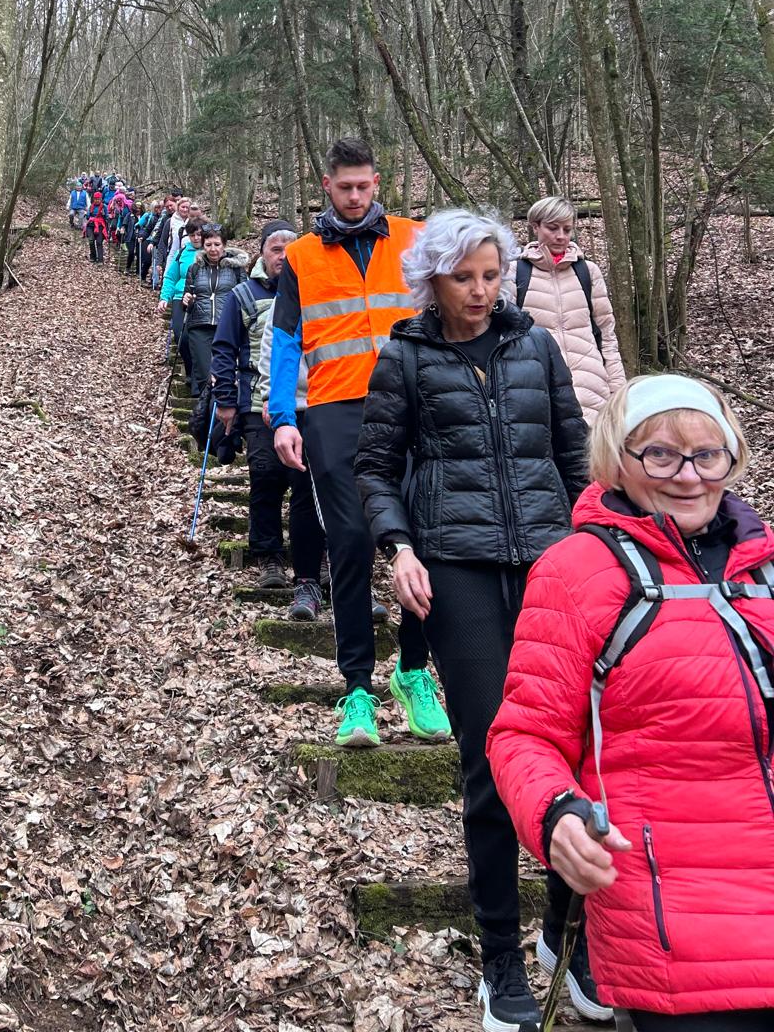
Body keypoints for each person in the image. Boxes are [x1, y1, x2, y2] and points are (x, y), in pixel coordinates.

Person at [353, 206, 592, 1031]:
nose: (482, 291)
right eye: (465, 277)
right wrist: (399, 548)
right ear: (434, 280)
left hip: (552, 565)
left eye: (491, 275)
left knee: (570, 748)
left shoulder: (537, 347)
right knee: (492, 755)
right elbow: (375, 466)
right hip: (454, 566)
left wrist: (594, 543)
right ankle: (500, 960)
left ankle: (565, 934)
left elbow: (573, 453)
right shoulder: (406, 356)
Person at [489, 376, 774, 1032]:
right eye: (661, 455)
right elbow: (524, 734)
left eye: (707, 455)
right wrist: (556, 816)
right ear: (617, 461)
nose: (689, 476)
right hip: (674, 922)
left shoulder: (765, 567)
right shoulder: (577, 572)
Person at [268, 136, 448, 750]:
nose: (353, 196)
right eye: (343, 187)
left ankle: (414, 671)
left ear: (377, 182)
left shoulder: (416, 239)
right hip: (334, 408)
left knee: (422, 535)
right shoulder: (300, 255)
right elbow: (286, 339)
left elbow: (453, 310)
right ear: (327, 185)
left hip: (414, 401)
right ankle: (357, 689)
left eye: (363, 186)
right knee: (348, 542)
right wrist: (282, 417)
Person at [213, 221, 327, 613]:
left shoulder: (315, 288)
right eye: (275, 249)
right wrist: (226, 399)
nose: (283, 256)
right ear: (262, 252)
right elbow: (225, 347)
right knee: (265, 474)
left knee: (310, 483)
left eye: (289, 249)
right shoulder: (244, 295)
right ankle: (269, 554)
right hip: (256, 399)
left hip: (314, 402)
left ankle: (316, 558)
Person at [510, 195, 626, 422]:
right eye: (552, 228)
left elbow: (607, 336)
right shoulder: (514, 273)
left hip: (592, 391)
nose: (561, 236)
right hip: (537, 391)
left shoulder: (588, 272)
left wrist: (618, 392)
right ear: (535, 226)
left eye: (567, 229)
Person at [182, 223, 249, 396]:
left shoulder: (236, 269)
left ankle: (221, 409)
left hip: (227, 327)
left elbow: (245, 299)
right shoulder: (195, 268)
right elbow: (186, 299)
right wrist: (187, 300)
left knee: (224, 375)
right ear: (203, 246)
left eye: (217, 244)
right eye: (208, 245)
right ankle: (205, 410)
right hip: (199, 326)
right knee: (205, 376)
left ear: (224, 245)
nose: (213, 249)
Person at [159, 216, 204, 375]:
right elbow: (171, 277)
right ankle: (190, 370)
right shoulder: (182, 252)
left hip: (203, 298)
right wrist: (165, 297)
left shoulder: (211, 252)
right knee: (181, 336)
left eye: (199, 234)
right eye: (192, 235)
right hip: (180, 297)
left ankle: (198, 374)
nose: (196, 238)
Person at [84, 196, 108, 264]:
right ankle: (93, 257)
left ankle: (100, 259)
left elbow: (107, 217)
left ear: (101, 199)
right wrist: (87, 215)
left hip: (100, 226)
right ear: (93, 199)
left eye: (98, 199)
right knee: (91, 240)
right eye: (95, 199)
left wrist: (104, 215)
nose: (97, 200)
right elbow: (88, 216)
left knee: (99, 242)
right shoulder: (91, 206)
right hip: (91, 225)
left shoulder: (104, 207)